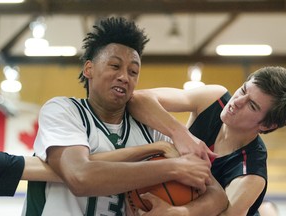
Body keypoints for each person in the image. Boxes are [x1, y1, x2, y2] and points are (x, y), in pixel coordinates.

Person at [22, 17, 228, 216]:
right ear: (89, 68)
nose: (124, 77)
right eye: (115, 66)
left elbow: (218, 196)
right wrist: (171, 168)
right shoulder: (64, 110)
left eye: (133, 71)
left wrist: (181, 212)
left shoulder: (151, 130)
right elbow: (80, 176)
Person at [128, 66, 286, 215]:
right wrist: (179, 133)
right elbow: (137, 99)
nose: (237, 102)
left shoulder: (250, 175)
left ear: (266, 125)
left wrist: (181, 213)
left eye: (251, 105)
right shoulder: (214, 99)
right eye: (243, 90)